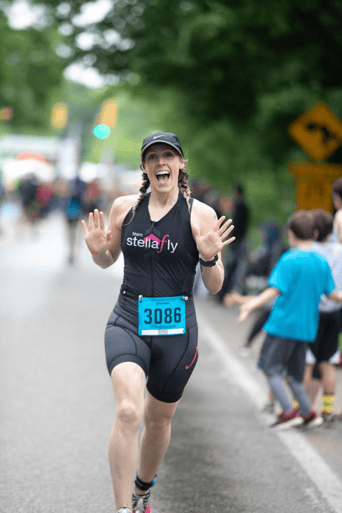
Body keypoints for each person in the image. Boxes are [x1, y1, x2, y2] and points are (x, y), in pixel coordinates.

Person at [81, 132, 235, 513]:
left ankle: (142, 487)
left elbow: (214, 287)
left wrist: (211, 259)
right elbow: (107, 260)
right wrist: (99, 251)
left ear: (181, 164)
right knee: (129, 411)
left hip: (177, 331)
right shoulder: (124, 208)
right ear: (145, 167)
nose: (160, 162)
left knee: (158, 419)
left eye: (168, 155)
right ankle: (122, 509)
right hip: (129, 319)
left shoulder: (200, 215)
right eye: (152, 157)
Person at [228, 210, 342, 430]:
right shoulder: (320, 261)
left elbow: (274, 290)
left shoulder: (289, 259)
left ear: (291, 233)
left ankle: (289, 413)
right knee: (295, 376)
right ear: (314, 232)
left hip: (283, 326)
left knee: (270, 369)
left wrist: (250, 304)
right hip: (307, 328)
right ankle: (308, 414)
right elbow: (332, 293)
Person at [302, 208, 342, 420]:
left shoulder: (310, 251)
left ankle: (304, 408)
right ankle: (327, 409)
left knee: (308, 361)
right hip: (335, 313)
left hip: (313, 312)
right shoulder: (340, 251)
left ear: (314, 231)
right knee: (329, 362)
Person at [217, 182, 249, 301]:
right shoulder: (245, 206)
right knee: (233, 266)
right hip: (240, 240)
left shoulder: (239, 206)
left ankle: (222, 293)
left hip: (235, 241)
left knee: (231, 266)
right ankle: (224, 292)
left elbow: (235, 224)